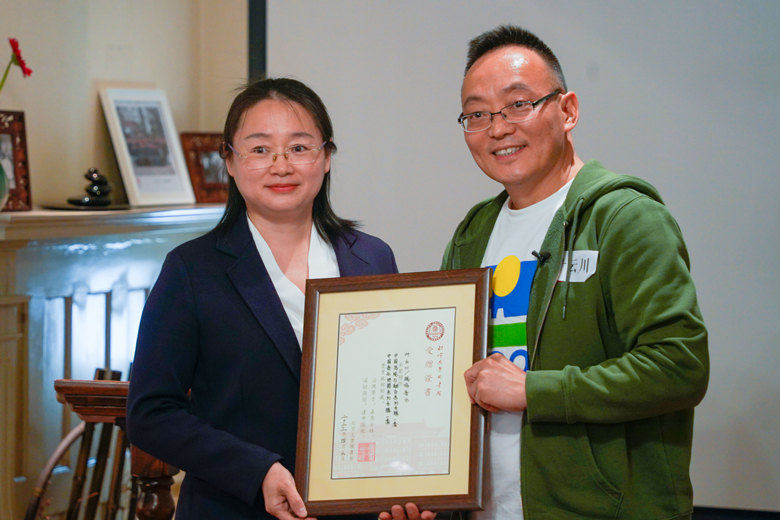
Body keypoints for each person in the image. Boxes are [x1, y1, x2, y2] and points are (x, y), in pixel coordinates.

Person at [441, 26, 709, 519]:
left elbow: (679, 366)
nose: (498, 128)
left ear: (567, 111)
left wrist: (533, 391)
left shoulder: (625, 217)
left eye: (518, 104)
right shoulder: (471, 234)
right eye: (477, 114)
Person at [127, 77, 397, 520]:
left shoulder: (372, 257)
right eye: (259, 149)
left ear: (326, 156)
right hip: (234, 507)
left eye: (299, 147)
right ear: (230, 162)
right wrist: (256, 471)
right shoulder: (191, 270)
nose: (281, 166)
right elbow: (150, 414)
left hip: (355, 509)